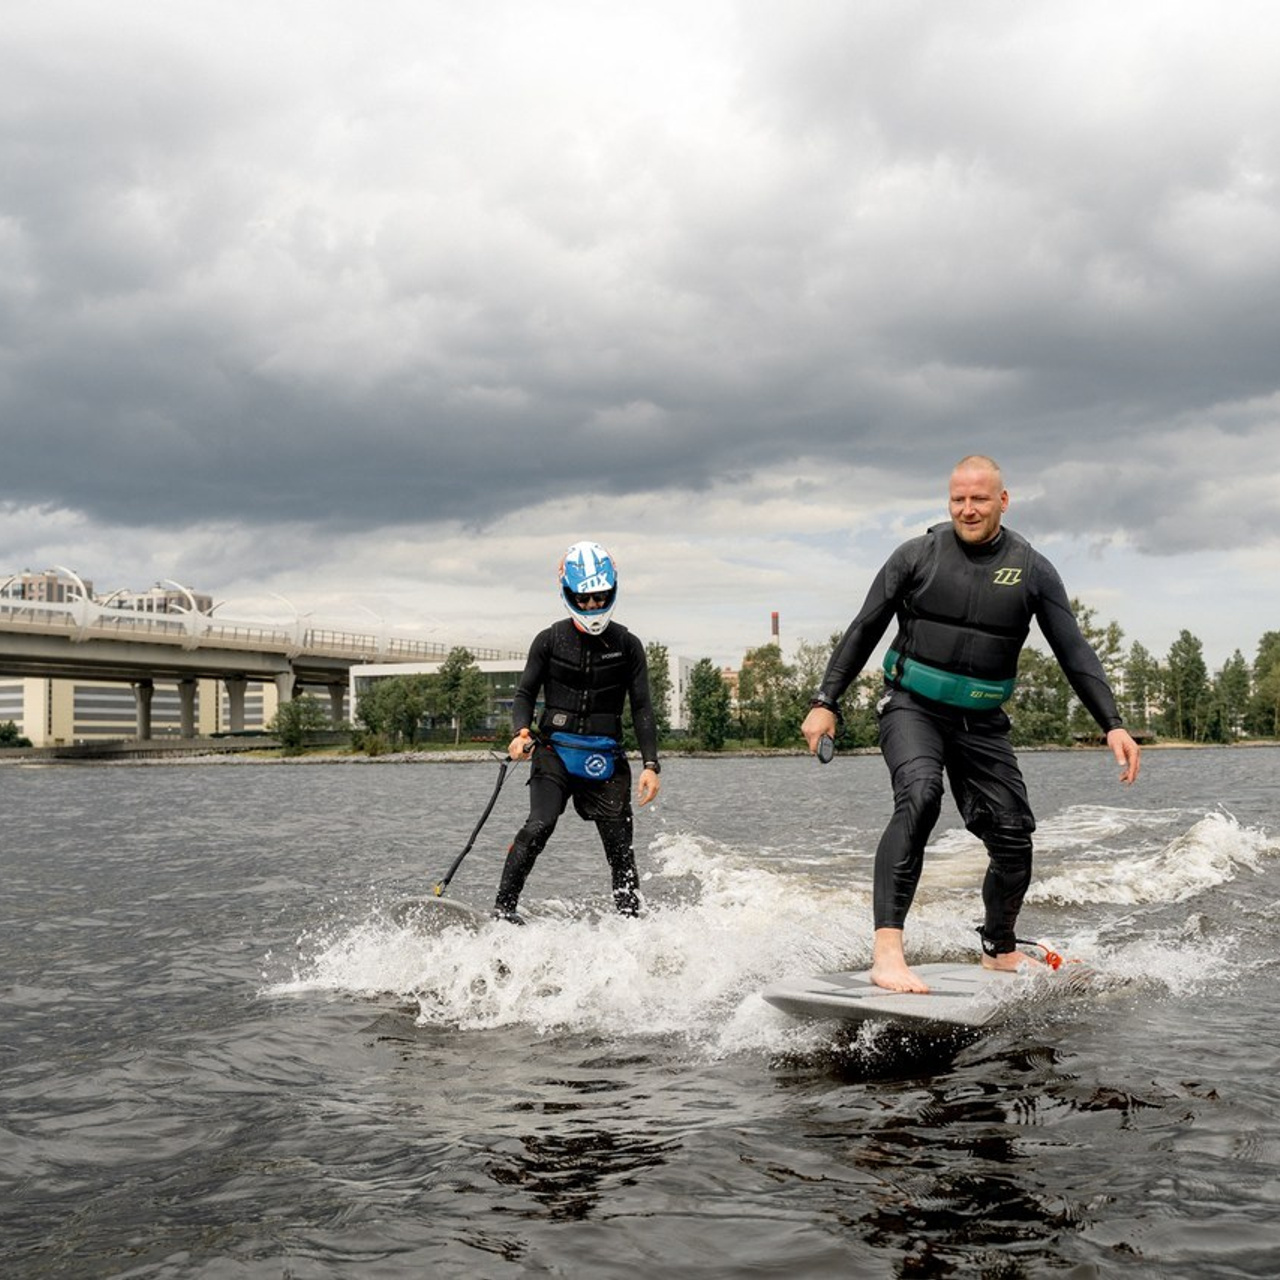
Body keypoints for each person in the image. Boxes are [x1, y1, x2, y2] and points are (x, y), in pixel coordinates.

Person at [800, 455, 1141, 992]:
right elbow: (864, 627)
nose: (968, 508)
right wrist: (827, 700)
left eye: (979, 498)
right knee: (920, 795)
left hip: (982, 720)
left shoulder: (1033, 570)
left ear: (1003, 501)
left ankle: (999, 950)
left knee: (1014, 835)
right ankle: (887, 952)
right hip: (912, 706)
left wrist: (1112, 723)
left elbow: (1073, 649)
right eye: (958, 499)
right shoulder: (917, 555)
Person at [492, 540, 662, 922]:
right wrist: (521, 732)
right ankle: (503, 911)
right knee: (539, 826)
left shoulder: (628, 645)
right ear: (568, 593)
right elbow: (524, 693)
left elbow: (642, 708)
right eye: (583, 598)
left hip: (606, 760)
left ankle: (632, 925)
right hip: (554, 753)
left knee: (620, 849)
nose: (591, 606)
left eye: (599, 597)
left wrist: (651, 764)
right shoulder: (549, 640)